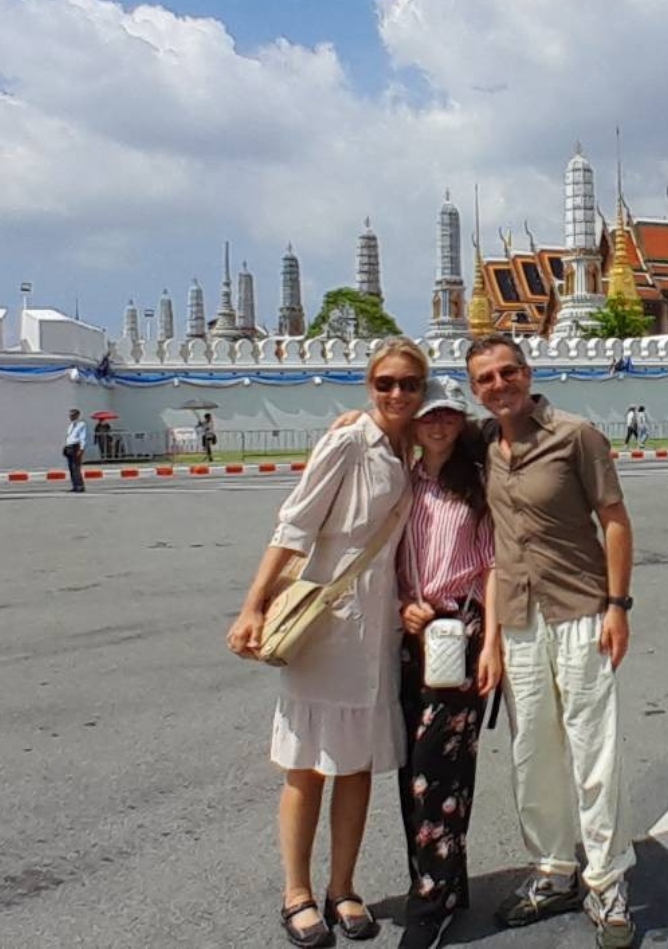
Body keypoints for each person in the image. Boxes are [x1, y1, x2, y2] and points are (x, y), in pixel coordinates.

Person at [227, 338, 428, 948]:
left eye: (410, 384)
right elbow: (294, 526)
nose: (397, 394)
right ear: (370, 386)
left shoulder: (414, 448)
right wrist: (253, 605)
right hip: (324, 627)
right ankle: (297, 892)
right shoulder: (347, 442)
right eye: (386, 383)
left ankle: (343, 887)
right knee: (308, 766)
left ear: (424, 390)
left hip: (378, 632)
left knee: (358, 767)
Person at [464, 334, 637, 948]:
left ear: (529, 373)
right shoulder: (480, 442)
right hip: (517, 616)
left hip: (581, 606)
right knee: (530, 750)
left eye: (508, 371)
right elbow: (412, 431)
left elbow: (614, 520)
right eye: (484, 378)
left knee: (593, 747)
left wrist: (617, 606)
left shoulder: (574, 434)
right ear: (474, 388)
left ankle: (607, 878)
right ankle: (552, 868)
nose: (498, 384)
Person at [394, 377, 494, 948]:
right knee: (413, 767)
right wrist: (402, 604)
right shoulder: (403, 485)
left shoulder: (475, 487)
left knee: (442, 763)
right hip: (409, 634)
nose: (438, 425)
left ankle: (430, 902)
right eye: (429, 416)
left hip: (461, 633)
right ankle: (442, 882)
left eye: (449, 416)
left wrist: (495, 645)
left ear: (461, 423)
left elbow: (494, 569)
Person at [63, 408, 89, 493]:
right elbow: (69, 437)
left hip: (76, 447)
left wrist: (81, 449)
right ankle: (75, 485)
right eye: (70, 415)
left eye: (72, 415)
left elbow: (82, 437)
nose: (71, 417)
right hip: (69, 446)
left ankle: (80, 486)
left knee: (76, 467)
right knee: (71, 467)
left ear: (77, 415)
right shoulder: (71, 425)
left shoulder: (81, 424)